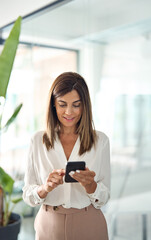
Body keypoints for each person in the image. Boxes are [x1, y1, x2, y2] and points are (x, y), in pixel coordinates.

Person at [22, 72, 110, 240]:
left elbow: (105, 197)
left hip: (89, 222)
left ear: (85, 106)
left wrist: (91, 185)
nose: (69, 112)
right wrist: (45, 188)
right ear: (53, 104)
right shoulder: (37, 141)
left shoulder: (101, 141)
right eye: (62, 104)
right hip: (49, 225)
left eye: (76, 105)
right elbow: (28, 194)